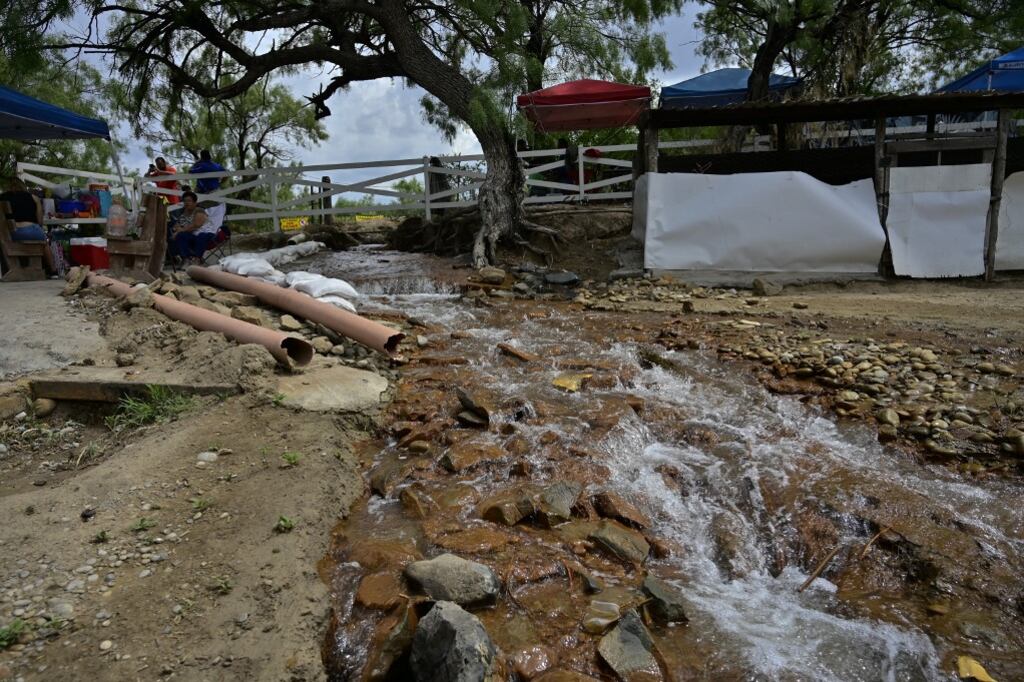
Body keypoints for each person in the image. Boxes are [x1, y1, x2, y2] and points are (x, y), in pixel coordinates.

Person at [1, 177, 55, 273]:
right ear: (23, 187)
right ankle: (53, 271)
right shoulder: (34, 198)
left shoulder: (2, 198)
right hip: (32, 232)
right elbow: (40, 222)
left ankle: (7, 270)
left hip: (10, 234)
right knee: (44, 243)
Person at [170, 191, 217, 264]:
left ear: (195, 202)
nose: (186, 203)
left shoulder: (199, 210)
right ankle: (187, 258)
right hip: (193, 235)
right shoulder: (184, 213)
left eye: (189, 201)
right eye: (185, 201)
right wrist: (177, 230)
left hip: (207, 234)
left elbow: (196, 225)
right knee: (181, 236)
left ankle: (197, 259)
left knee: (201, 236)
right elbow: (176, 225)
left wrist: (179, 231)